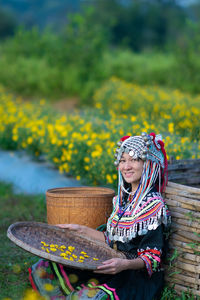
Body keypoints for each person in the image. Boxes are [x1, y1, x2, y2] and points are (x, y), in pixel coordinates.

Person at [29, 132, 171, 300]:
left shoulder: (154, 206)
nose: (126, 167)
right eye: (123, 160)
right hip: (113, 261)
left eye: (134, 160)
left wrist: (124, 265)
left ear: (149, 164)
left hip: (135, 275)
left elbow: (152, 259)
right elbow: (111, 240)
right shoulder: (123, 201)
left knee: (92, 297)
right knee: (44, 268)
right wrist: (80, 229)